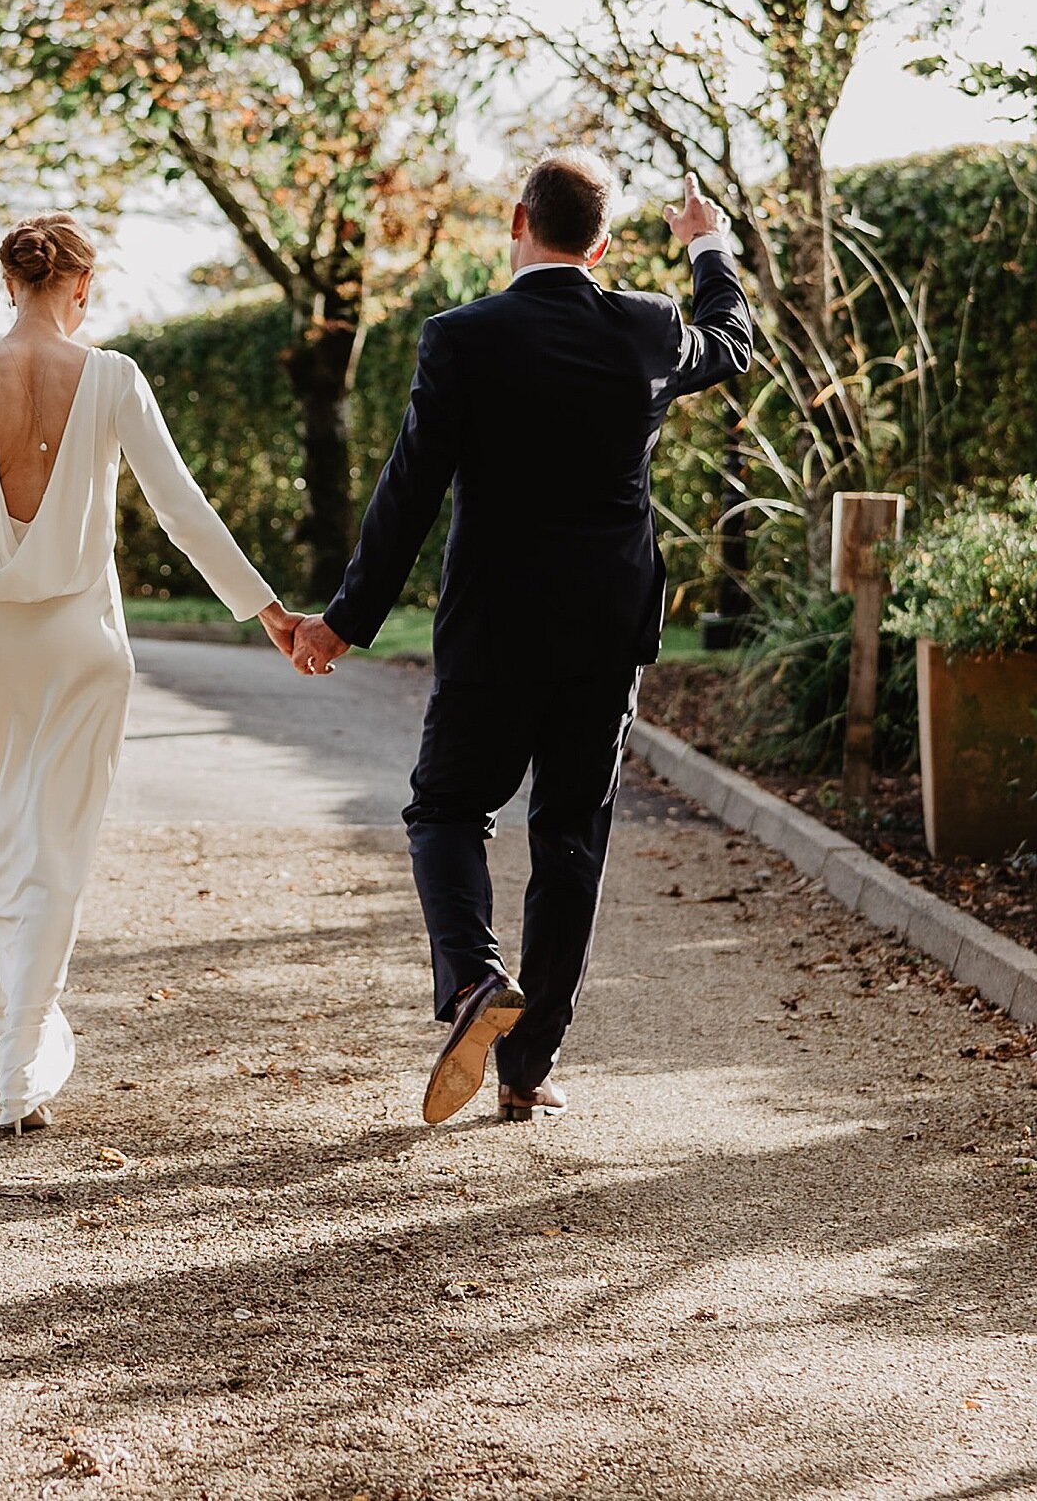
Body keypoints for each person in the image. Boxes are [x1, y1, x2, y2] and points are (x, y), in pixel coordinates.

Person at [286, 157, 753, 1125]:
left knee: (447, 809)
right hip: (605, 630)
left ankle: (469, 986)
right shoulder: (647, 328)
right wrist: (706, 243)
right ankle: (526, 1070)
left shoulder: (459, 339)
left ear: (516, 221)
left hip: (494, 626)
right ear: (602, 244)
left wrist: (342, 621)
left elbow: (408, 488)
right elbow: (731, 341)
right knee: (569, 835)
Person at [0, 213, 297, 1134]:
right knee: (58, 850)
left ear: (7, 284)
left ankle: (18, 1037)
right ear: (81, 287)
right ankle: (19, 1065)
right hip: (82, 647)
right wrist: (269, 611)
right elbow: (181, 508)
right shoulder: (116, 377)